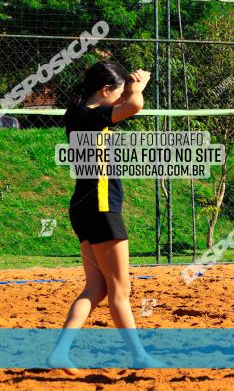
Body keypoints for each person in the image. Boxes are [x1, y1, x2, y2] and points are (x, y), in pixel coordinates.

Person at [49, 62, 162, 372]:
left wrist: (129, 89)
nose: (122, 97)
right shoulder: (92, 115)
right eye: (118, 92)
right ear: (105, 91)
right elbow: (135, 105)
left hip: (84, 207)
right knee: (119, 291)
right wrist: (136, 90)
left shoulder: (79, 113)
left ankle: (60, 353)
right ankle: (139, 356)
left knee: (96, 289)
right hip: (100, 207)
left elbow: (125, 106)